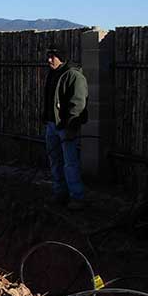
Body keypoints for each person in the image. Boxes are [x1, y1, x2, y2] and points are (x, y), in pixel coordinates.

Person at [43, 44, 89, 210]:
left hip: (65, 127)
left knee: (70, 163)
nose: (49, 60)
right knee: (55, 161)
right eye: (48, 56)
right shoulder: (53, 74)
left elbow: (78, 104)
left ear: (61, 57)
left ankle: (77, 197)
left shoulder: (73, 76)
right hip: (51, 125)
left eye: (52, 56)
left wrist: (71, 127)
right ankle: (60, 193)